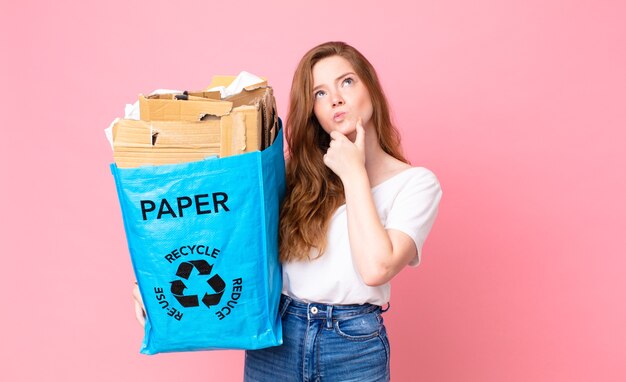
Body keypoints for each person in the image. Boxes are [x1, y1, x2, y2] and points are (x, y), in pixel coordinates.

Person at [133, 41, 442, 382]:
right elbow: (227, 234)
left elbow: (376, 268)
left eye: (347, 82)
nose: (335, 98)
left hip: (353, 345)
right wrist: (157, 282)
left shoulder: (416, 184)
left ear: (370, 87)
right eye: (319, 93)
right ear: (313, 111)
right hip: (278, 337)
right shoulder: (295, 176)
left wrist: (354, 172)